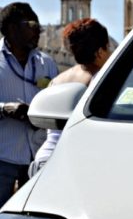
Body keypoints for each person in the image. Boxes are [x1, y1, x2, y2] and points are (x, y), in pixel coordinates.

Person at [29, 18, 111, 177]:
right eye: (108, 49)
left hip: (44, 159)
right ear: (100, 51)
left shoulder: (58, 80)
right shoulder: (100, 80)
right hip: (71, 162)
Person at [0, 2, 58, 203]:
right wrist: (6, 109)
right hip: (3, 157)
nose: (38, 31)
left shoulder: (46, 63)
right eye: (32, 25)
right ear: (12, 28)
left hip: (37, 159)